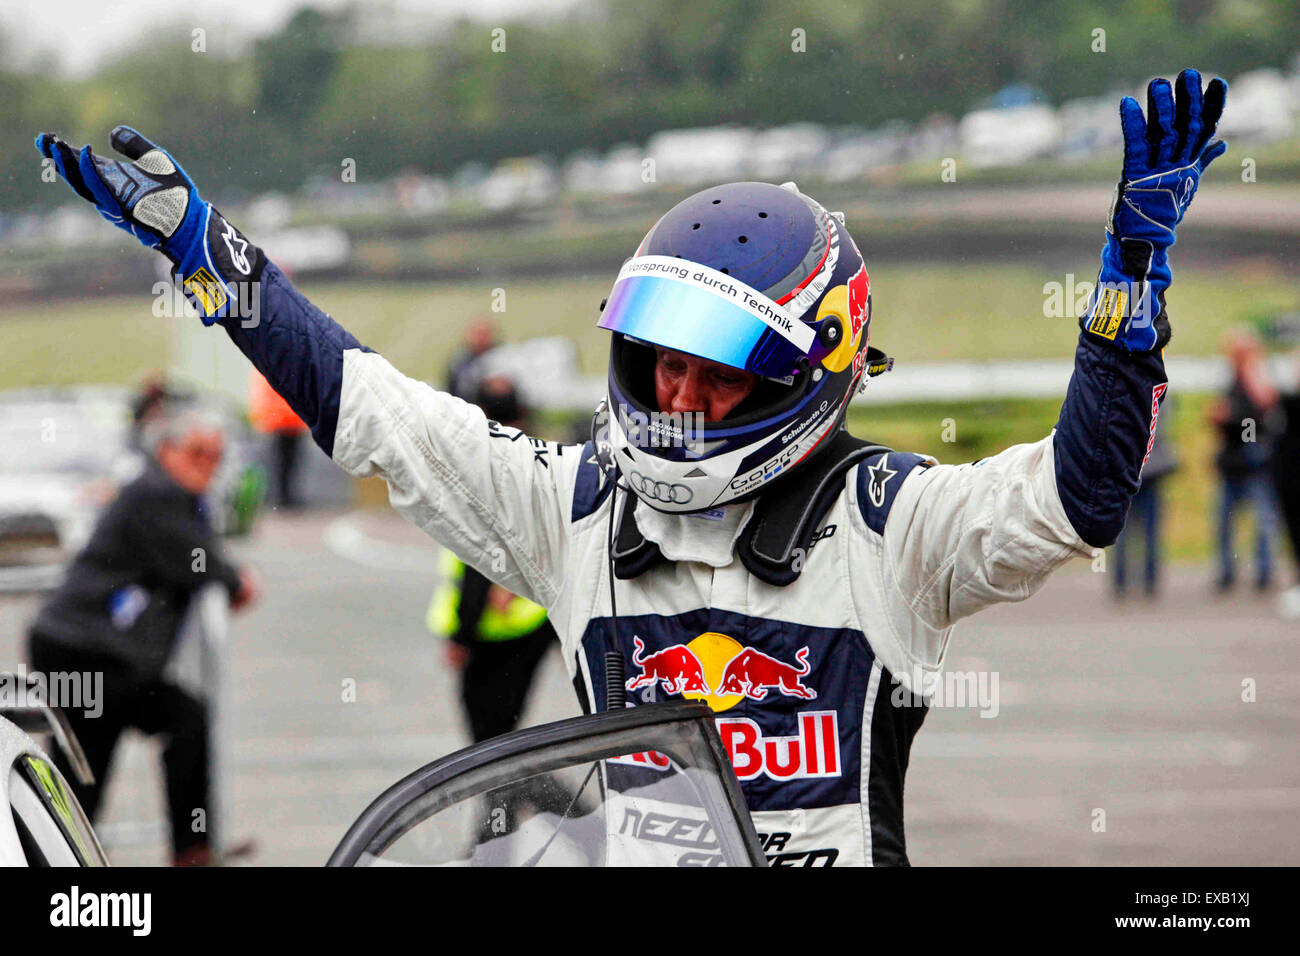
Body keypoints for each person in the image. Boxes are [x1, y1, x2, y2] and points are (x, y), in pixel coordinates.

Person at [35, 69, 1227, 865]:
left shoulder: (891, 521)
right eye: (660, 363)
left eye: (719, 374)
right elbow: (371, 406)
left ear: (807, 376)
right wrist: (204, 250)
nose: (679, 397)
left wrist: (1124, 290)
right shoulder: (574, 509)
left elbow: (1078, 495)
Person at [26, 407, 260, 866]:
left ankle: (182, 848)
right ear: (167, 451)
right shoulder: (156, 492)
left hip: (98, 652)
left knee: (135, 743)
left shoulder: (167, 494)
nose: (207, 466)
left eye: (216, 457)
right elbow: (195, 557)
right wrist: (238, 581)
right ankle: (172, 852)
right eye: (196, 453)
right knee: (90, 765)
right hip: (82, 652)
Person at [426, 376, 560, 743]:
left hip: (492, 631)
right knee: (503, 738)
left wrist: (461, 635)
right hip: (534, 623)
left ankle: (548, 801)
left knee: (488, 743)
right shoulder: (543, 461)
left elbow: (478, 566)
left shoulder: (478, 468)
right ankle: (524, 800)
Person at [1208, 328, 1282, 591]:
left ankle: (1263, 571)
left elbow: (1259, 416)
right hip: (1231, 462)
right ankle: (1227, 571)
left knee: (1262, 522)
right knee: (1224, 523)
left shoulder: (1259, 378)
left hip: (1254, 463)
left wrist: (1234, 418)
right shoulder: (1228, 380)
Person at [1112, 399, 1177, 598]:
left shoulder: (1125, 393)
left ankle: (1133, 581)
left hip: (1135, 472)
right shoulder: (1156, 390)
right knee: (1133, 532)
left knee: (1134, 532)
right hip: (1139, 472)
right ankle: (1134, 580)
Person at [248, 369, 309, 509]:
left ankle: (285, 496)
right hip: (282, 423)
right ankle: (283, 497)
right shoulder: (273, 367)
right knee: (283, 463)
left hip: (289, 423)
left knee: (289, 462)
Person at [445, 317, 499, 400]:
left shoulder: (501, 358)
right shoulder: (459, 361)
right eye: (478, 334)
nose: (481, 338)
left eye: (484, 334)